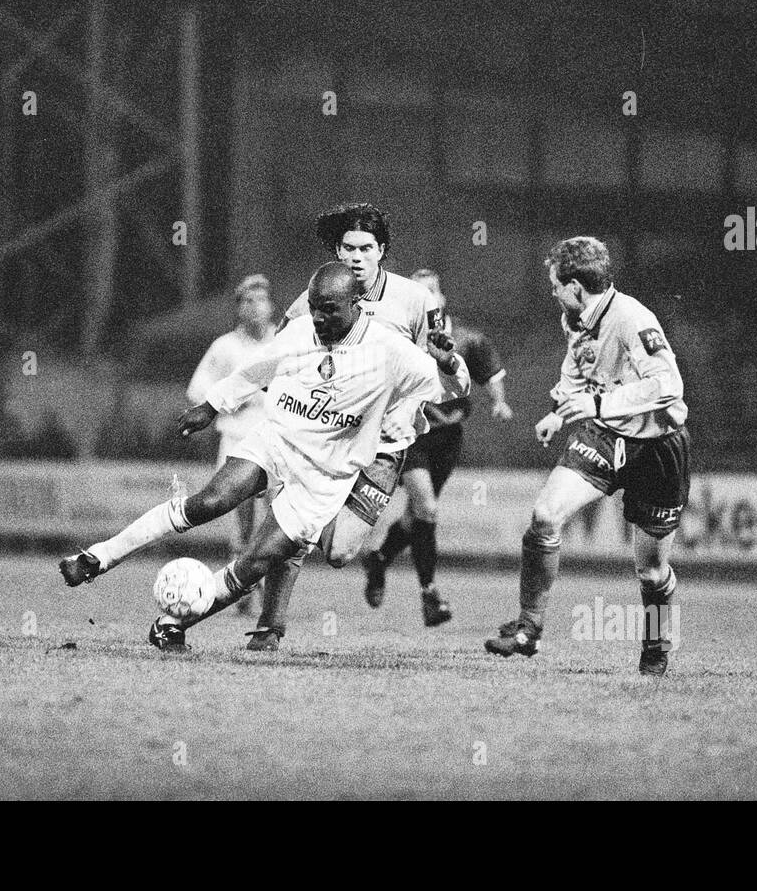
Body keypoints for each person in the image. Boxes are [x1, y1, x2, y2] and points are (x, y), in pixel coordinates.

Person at [58, 262, 470, 652]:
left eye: (329, 311)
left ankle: (173, 625)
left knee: (255, 560)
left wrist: (448, 360)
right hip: (275, 440)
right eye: (314, 309)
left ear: (356, 305)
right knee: (208, 503)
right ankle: (96, 557)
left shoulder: (390, 350)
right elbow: (258, 368)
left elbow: (454, 389)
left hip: (323, 476)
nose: (320, 319)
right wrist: (212, 406)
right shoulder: (301, 330)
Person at [483, 237, 690, 676]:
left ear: (576, 285)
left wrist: (598, 405)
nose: (552, 291)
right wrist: (559, 414)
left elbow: (668, 386)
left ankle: (656, 644)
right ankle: (529, 628)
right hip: (603, 436)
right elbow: (578, 369)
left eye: (556, 284)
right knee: (544, 515)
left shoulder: (633, 318)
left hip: (656, 446)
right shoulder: (574, 317)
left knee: (651, 572)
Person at [245, 202, 442, 650]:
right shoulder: (311, 300)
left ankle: (365, 553)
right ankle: (268, 627)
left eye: (365, 248)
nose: (355, 256)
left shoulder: (414, 301)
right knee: (293, 529)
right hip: (322, 437)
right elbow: (280, 361)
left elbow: (438, 373)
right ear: (337, 250)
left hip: (383, 445)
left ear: (382, 250)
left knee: (337, 552)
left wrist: (411, 403)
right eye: (347, 247)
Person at [361, 268, 514, 625]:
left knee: (416, 517)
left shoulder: (466, 339)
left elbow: (490, 375)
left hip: (448, 437)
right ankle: (429, 594)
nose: (424, 299)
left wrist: (499, 402)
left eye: (431, 292)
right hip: (410, 433)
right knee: (427, 507)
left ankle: (380, 558)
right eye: (417, 293)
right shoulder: (398, 338)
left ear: (442, 299)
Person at [185, 274, 277, 614]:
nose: (254, 307)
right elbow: (197, 391)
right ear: (238, 308)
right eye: (247, 301)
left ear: (271, 305)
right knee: (241, 521)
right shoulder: (225, 346)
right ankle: (240, 590)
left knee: (278, 518)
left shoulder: (283, 341)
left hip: (277, 440)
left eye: (261, 299)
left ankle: (270, 588)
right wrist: (231, 399)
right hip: (238, 441)